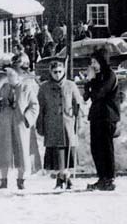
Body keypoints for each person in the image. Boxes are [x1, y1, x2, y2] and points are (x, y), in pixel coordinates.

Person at [0, 66, 40, 190]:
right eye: (7, 75)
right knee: (3, 151)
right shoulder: (4, 87)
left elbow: (34, 105)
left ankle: (21, 179)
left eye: (11, 75)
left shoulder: (26, 88)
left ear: (18, 76)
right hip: (5, 124)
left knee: (22, 151)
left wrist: (27, 117)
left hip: (20, 124)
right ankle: (3, 180)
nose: (9, 77)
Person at [36, 62, 83, 189]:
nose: (57, 75)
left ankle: (66, 178)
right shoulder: (44, 87)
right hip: (52, 123)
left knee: (67, 151)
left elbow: (78, 102)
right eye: (55, 72)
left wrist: (78, 115)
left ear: (64, 72)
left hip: (67, 123)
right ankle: (60, 178)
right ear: (50, 72)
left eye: (60, 72)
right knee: (56, 152)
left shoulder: (70, 85)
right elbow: (40, 107)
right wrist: (40, 124)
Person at [84, 49, 121, 191]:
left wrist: (92, 80)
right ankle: (101, 176)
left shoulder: (110, 75)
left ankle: (109, 178)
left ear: (102, 61)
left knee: (106, 148)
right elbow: (88, 95)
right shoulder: (96, 76)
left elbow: (99, 93)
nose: (92, 65)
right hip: (96, 116)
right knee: (96, 148)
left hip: (108, 116)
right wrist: (89, 81)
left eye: (95, 62)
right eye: (91, 62)